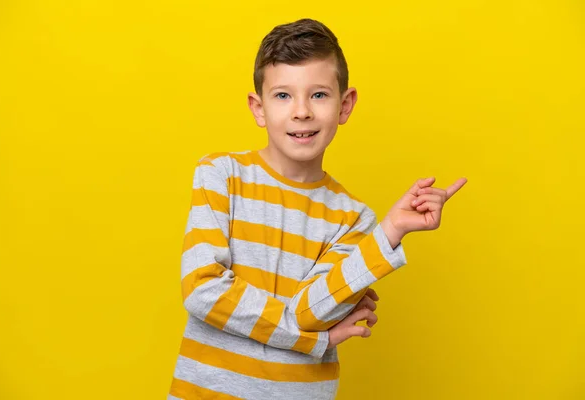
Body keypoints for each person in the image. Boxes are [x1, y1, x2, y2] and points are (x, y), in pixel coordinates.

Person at [168, 18, 467, 400]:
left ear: (345, 105)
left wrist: (390, 231)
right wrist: (313, 341)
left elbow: (313, 311)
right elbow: (202, 290)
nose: (302, 112)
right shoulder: (220, 175)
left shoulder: (356, 220)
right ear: (258, 108)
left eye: (319, 95)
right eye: (283, 96)